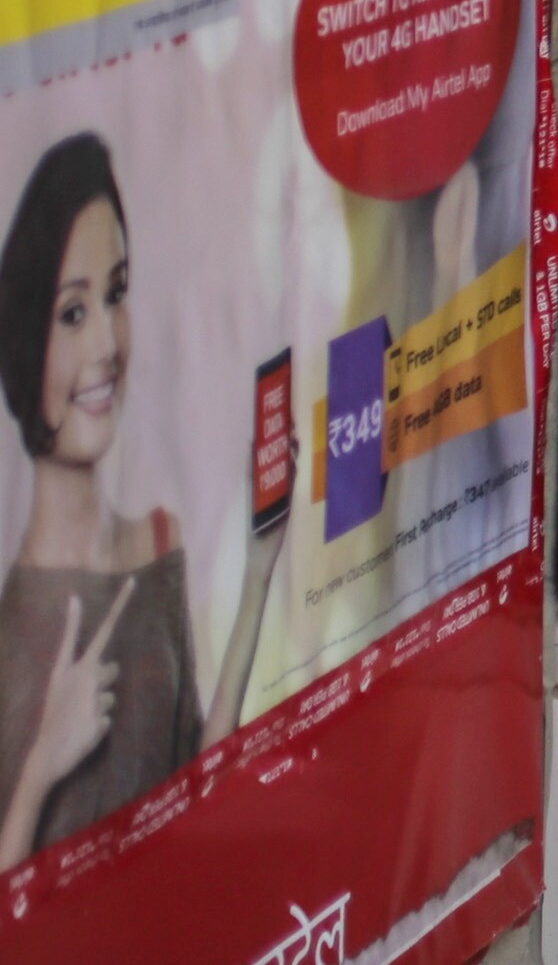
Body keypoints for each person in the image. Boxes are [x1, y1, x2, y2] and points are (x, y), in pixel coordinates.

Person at [0, 135, 284, 867]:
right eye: (72, 312)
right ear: (24, 340)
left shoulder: (160, 540)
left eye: (116, 295)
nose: (106, 343)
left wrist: (259, 570)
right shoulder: (10, 617)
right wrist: (41, 767)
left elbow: (199, 791)